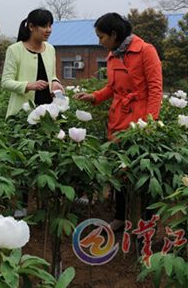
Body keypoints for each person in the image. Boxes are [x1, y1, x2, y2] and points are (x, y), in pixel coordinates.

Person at [75, 13, 163, 230]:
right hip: (119, 119)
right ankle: (120, 217)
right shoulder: (113, 55)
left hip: (140, 122)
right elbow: (113, 88)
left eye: (101, 36)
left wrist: (149, 124)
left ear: (114, 34)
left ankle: (145, 223)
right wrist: (95, 96)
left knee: (141, 175)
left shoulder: (146, 51)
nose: (100, 42)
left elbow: (155, 89)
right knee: (120, 172)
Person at [1, 8, 64, 118]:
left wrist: (55, 82)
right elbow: (6, 82)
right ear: (31, 27)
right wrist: (29, 85)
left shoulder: (50, 49)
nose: (48, 30)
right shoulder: (14, 50)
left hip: (49, 113)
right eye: (44, 26)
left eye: (50, 26)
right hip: (23, 113)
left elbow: (52, 75)